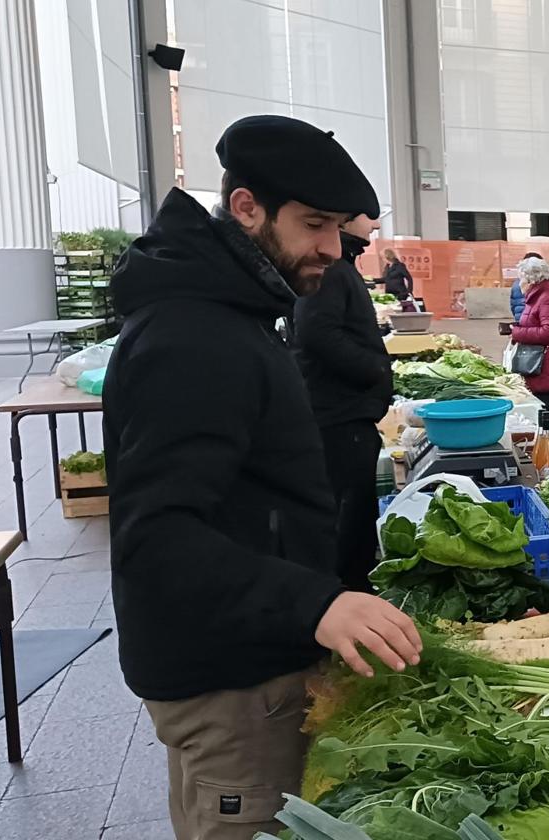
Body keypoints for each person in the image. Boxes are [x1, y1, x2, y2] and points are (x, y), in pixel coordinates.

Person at [103, 115, 422, 840]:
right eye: (313, 224)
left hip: (237, 661)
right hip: (230, 686)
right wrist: (316, 603)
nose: (330, 249)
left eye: (338, 227)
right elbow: (158, 538)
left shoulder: (226, 312)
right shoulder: (195, 335)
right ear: (246, 207)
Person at [293, 213, 393, 593]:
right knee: (346, 520)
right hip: (340, 417)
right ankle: (344, 601)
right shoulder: (333, 269)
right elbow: (318, 333)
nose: (375, 225)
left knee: (353, 517)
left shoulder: (340, 266)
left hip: (344, 414)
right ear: (346, 219)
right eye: (369, 217)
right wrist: (375, 371)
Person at [500, 256, 549, 409]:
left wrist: (518, 333)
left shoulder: (547, 298)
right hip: (541, 369)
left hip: (547, 372)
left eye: (521, 279)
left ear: (531, 280)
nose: (519, 284)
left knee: (548, 420)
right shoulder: (539, 297)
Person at [510, 250, 542, 323]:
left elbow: (513, 305)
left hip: (520, 318)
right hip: (533, 320)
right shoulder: (537, 282)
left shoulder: (516, 283)